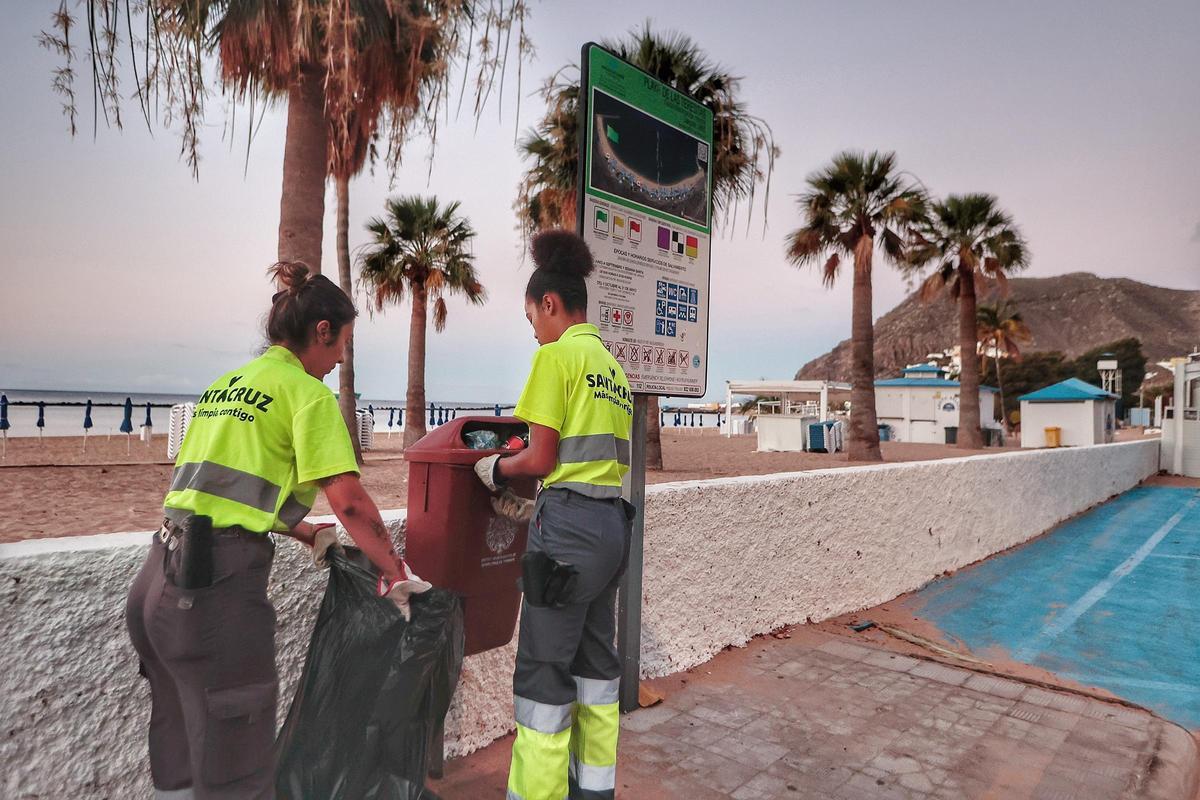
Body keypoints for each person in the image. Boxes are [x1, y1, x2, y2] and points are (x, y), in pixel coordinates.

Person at [125, 262, 430, 800]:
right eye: (342, 345)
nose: (339, 361)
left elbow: (219, 489)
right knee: (237, 773)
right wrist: (395, 573)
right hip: (214, 595)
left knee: (180, 755)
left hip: (157, 588)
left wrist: (304, 527)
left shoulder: (229, 385)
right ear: (321, 331)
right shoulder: (307, 395)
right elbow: (353, 504)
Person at [474, 230, 635, 800]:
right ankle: (594, 790)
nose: (533, 330)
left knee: (544, 677)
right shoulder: (612, 369)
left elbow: (539, 458)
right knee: (595, 671)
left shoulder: (556, 357)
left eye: (531, 318)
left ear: (550, 304)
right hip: (613, 527)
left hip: (566, 529)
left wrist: (497, 469)